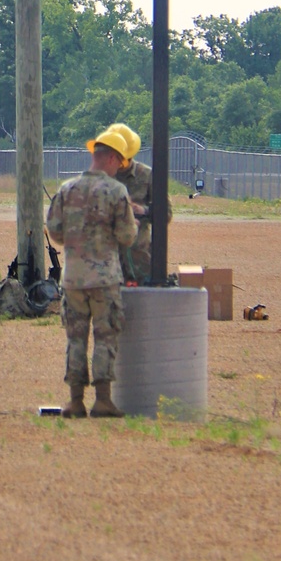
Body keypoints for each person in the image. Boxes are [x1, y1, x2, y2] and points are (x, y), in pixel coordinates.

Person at [46, 129, 138, 418]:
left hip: (73, 278)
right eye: (120, 162)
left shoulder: (67, 188)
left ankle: (75, 401)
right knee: (105, 336)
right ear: (111, 158)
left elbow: (55, 231)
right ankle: (102, 400)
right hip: (104, 279)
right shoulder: (116, 192)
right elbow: (127, 236)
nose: (119, 168)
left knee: (75, 339)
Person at [106, 122, 173, 284]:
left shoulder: (147, 175)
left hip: (140, 260)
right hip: (108, 261)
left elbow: (167, 214)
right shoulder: (102, 178)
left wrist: (142, 210)